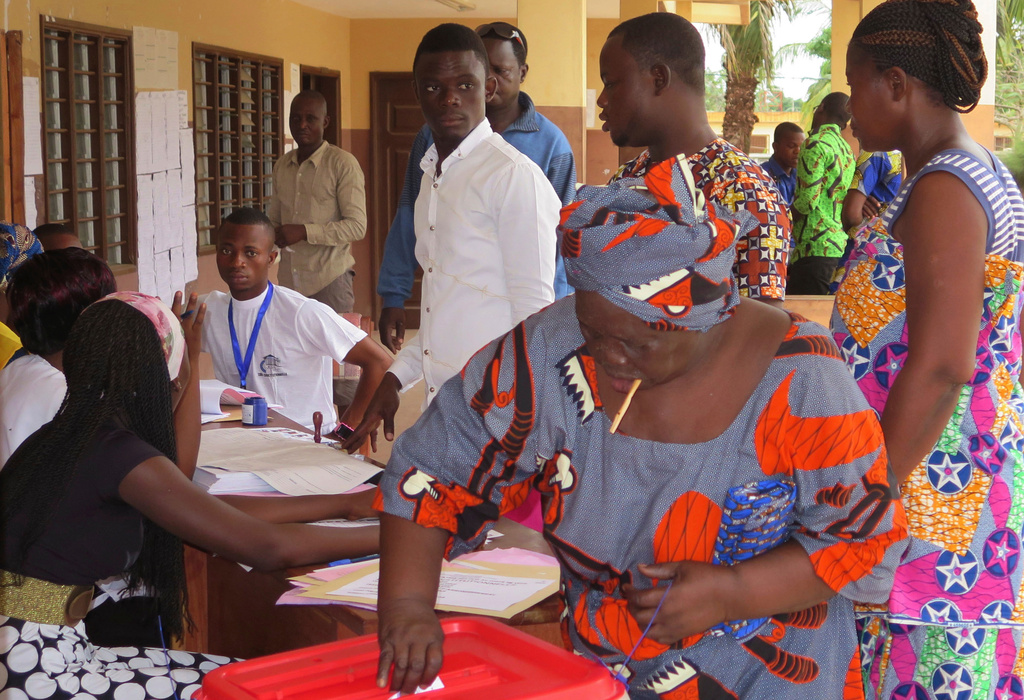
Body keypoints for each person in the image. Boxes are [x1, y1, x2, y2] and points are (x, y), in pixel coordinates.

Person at [371, 154, 907, 698]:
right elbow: (434, 468)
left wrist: (733, 592)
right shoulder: (551, 348)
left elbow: (865, 541)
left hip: (774, 678)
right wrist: (407, 606)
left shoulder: (803, 376)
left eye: (637, 344)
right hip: (605, 676)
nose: (607, 358)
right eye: (593, 332)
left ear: (704, 320)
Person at [0, 291, 378, 699]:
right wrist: (402, 531)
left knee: (245, 677)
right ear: (167, 381)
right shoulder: (118, 455)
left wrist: (346, 505)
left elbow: (208, 512)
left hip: (27, 649)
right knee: (256, 688)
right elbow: (268, 549)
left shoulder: (70, 435)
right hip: (43, 670)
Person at [830, 0, 1024, 696]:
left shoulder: (946, 185)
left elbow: (943, 363)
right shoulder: (957, 173)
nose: (849, 106)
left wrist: (873, 493)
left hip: (941, 509)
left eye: (855, 85)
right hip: (943, 493)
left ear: (897, 83)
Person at [344, 24, 557, 450]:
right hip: (442, 409)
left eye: (465, 84)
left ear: (489, 87)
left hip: (496, 417)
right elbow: (445, 310)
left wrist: (508, 422)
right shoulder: (430, 181)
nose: (449, 99)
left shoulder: (512, 177)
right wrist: (394, 377)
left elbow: (535, 318)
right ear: (416, 92)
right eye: (433, 87)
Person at [377, 21, 577, 354]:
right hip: (451, 321)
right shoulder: (431, 139)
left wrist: (554, 317)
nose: (452, 97)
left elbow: (560, 241)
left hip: (523, 320)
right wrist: (394, 293)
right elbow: (410, 217)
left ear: (516, 73)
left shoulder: (549, 146)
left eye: (499, 71)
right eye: (436, 87)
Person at [600, 13, 791, 307]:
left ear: (658, 79)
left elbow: (759, 334)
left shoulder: (744, 192)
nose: (602, 99)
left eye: (610, 83)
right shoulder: (626, 179)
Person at [202, 207, 391, 432]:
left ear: (271, 258)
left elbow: (379, 362)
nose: (237, 262)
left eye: (250, 253)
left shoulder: (301, 313)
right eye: (226, 250)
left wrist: (348, 428)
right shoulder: (207, 310)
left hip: (304, 442)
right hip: (240, 439)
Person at [0, 248, 116, 466]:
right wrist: (187, 365)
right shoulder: (67, 398)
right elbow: (163, 486)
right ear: (92, 321)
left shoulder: (16, 371)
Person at [268, 90, 366, 315]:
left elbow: (357, 226)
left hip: (329, 282)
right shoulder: (282, 165)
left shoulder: (342, 164)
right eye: (295, 118)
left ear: (325, 122)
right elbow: (273, 221)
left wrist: (304, 232)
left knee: (333, 350)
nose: (302, 125)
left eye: (310, 118)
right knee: (291, 349)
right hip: (289, 285)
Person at [788, 93, 856, 295]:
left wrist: (782, 220)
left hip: (814, 246)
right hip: (835, 245)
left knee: (805, 320)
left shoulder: (815, 143)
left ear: (822, 108)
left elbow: (807, 201)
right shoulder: (846, 149)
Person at [840, 149, 903, 232]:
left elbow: (852, 215)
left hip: (869, 239)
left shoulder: (877, 152)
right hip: (901, 238)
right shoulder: (920, 159)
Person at [762, 121, 805, 207]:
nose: (798, 151)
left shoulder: (801, 174)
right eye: (791, 146)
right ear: (776, 147)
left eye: (802, 147)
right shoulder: (763, 175)